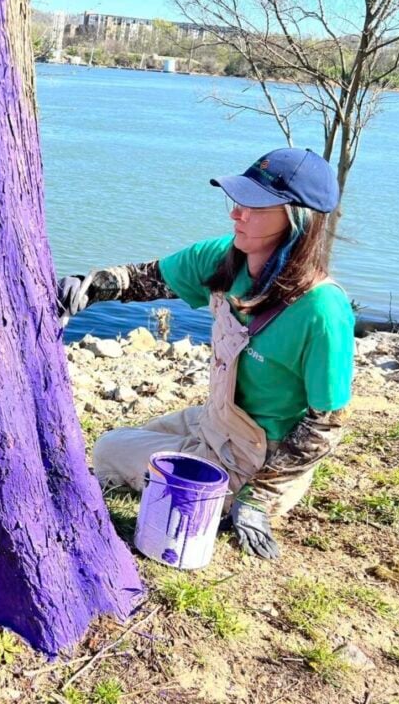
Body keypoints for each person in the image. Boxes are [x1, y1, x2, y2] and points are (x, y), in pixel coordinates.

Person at [57, 148, 355, 560]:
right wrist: (88, 285)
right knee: (111, 447)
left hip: (259, 452)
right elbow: (146, 280)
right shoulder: (227, 257)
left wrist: (258, 500)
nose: (237, 214)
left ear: (296, 218)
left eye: (254, 205)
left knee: (111, 450)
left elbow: (327, 424)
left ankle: (230, 499)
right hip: (214, 419)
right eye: (238, 201)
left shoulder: (322, 310)